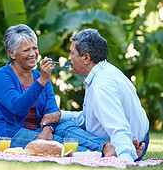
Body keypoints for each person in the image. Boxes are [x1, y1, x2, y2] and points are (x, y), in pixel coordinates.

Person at [0, 24, 117, 154]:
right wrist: (42, 80)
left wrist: (47, 127)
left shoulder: (38, 76)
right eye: (26, 50)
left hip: (38, 130)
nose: (33, 54)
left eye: (34, 48)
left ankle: (106, 146)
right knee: (56, 143)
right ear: (11, 53)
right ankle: (101, 155)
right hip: (7, 133)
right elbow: (17, 107)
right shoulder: (1, 77)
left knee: (66, 127)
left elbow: (51, 109)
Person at [41, 28, 149, 162]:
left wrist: (127, 158)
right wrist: (60, 115)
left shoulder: (101, 86)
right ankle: (110, 149)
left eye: (72, 53)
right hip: (139, 138)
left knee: (62, 131)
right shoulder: (106, 71)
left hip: (134, 144)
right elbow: (90, 118)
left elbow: (118, 126)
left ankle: (111, 150)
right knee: (62, 125)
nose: (69, 58)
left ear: (86, 57)